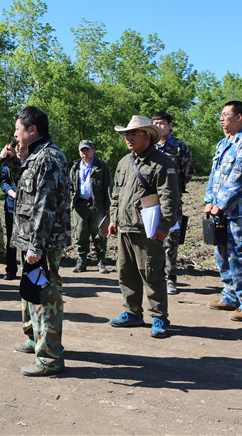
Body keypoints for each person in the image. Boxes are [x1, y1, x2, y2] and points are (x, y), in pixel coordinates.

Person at [11, 106, 71, 376]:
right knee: (31, 292)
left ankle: (49, 358)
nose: (15, 134)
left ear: (32, 130)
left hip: (42, 242)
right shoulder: (35, 155)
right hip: (31, 238)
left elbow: (45, 205)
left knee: (45, 297)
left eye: (18, 129)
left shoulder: (48, 157)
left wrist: (36, 245)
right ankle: (35, 339)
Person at [107, 116, 179, 338]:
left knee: (152, 273)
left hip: (148, 229)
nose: (128, 138)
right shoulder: (123, 162)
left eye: (133, 134)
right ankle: (132, 313)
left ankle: (159, 317)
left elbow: (169, 197)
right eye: (126, 134)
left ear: (147, 136)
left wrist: (164, 225)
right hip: (125, 227)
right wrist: (113, 218)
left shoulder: (162, 162)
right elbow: (116, 194)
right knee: (125, 272)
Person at [204, 101, 242, 321]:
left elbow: (238, 176)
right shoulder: (222, 144)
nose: (221, 118)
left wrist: (220, 203)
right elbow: (214, 175)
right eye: (221, 114)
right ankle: (230, 297)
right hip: (220, 212)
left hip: (239, 214)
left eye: (226, 114)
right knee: (222, 256)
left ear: (239, 117)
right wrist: (209, 200)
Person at [152, 112, 195, 294]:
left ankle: (170, 278)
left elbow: (188, 170)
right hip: (150, 201)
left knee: (170, 241)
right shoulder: (148, 145)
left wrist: (176, 189)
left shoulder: (179, 147)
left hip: (171, 201)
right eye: (155, 123)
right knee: (150, 239)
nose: (158, 126)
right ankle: (153, 277)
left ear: (169, 126)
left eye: (162, 123)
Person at [69, 140, 113, 274]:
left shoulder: (102, 166)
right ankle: (81, 261)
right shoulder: (75, 167)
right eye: (82, 150)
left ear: (93, 150)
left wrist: (109, 206)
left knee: (100, 234)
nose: (85, 153)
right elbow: (70, 186)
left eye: (87, 150)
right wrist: (71, 201)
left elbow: (109, 187)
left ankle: (101, 261)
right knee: (80, 233)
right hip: (80, 205)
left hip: (98, 205)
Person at [0, 141, 23, 280]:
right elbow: (3, 181)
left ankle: (27, 270)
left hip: (27, 207)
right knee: (11, 239)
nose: (19, 148)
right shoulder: (6, 163)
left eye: (21, 146)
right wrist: (11, 192)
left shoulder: (30, 160)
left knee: (27, 239)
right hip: (11, 205)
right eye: (16, 146)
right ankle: (11, 270)